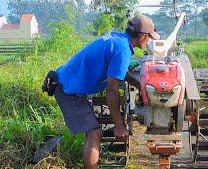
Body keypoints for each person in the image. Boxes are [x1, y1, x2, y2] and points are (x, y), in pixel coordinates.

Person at [53, 15, 159, 169]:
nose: (150, 41)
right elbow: (112, 89)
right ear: (142, 36)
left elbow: (118, 71)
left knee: (91, 134)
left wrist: (138, 85)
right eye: (149, 37)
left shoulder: (119, 40)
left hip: (68, 85)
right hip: (68, 91)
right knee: (95, 133)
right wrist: (119, 125)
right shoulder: (123, 49)